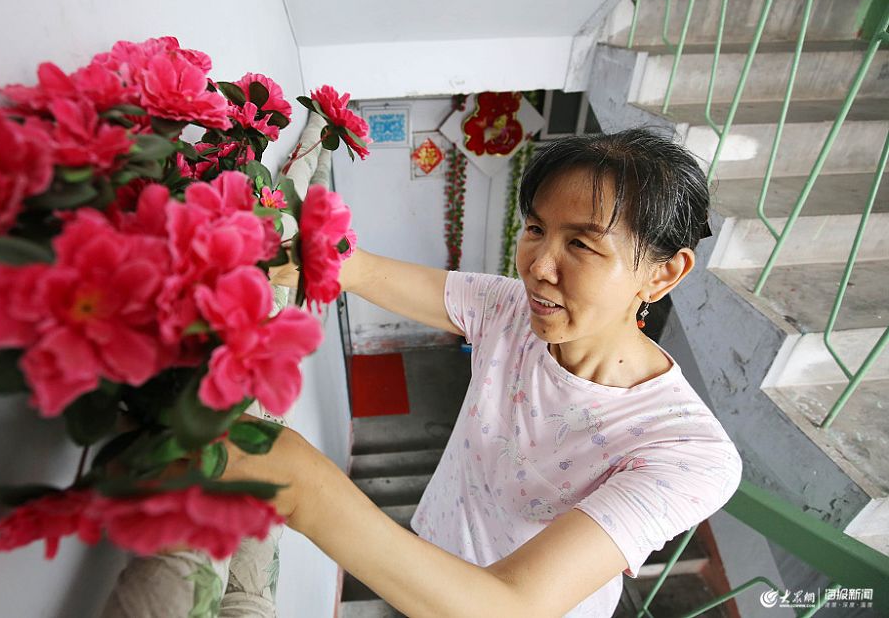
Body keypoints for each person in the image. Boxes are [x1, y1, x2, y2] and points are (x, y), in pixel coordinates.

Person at [111, 127, 744, 617]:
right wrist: (238, 244)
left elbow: (514, 606)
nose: (538, 265)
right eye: (534, 228)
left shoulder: (689, 453)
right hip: (427, 555)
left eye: (580, 244)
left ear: (663, 273)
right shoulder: (508, 310)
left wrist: (302, 482)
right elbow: (355, 268)